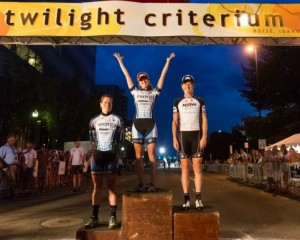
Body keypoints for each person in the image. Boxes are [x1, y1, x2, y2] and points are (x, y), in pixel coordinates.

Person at [113, 52, 175, 191]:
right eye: (141, 80)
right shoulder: (135, 92)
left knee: (152, 155)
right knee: (138, 156)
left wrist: (168, 61)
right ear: (139, 83)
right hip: (137, 126)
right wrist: (120, 61)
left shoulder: (154, 93)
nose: (143, 82)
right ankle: (141, 183)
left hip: (151, 125)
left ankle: (152, 184)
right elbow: (126, 76)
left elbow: (162, 76)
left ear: (148, 80)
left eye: (145, 79)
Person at [84, 94, 124, 229]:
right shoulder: (93, 120)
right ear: (100, 104)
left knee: (112, 187)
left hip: (112, 156)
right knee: (97, 187)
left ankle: (113, 217)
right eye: (105, 102)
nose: (108, 104)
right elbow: (92, 139)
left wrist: (117, 152)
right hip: (98, 156)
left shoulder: (118, 119)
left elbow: (121, 139)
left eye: (110, 103)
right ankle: (94, 217)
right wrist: (95, 150)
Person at [172, 75, 208, 210]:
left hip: (196, 136)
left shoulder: (200, 100)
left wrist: (204, 136)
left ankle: (198, 198)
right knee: (185, 170)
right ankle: (186, 198)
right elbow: (174, 121)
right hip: (183, 136)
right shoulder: (177, 101)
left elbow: (204, 119)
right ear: (182, 86)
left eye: (190, 83)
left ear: (193, 85)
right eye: (185, 84)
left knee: (198, 169)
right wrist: (174, 138)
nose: (188, 86)